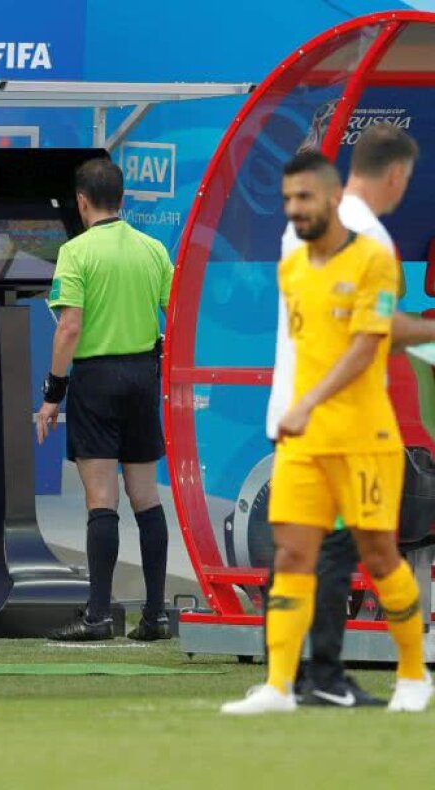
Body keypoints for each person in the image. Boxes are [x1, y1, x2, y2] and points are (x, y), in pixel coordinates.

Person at [221, 151, 432, 715]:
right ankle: (278, 686)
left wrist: (307, 403)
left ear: (335, 198)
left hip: (363, 437)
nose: (294, 210)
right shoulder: (291, 266)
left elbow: (367, 346)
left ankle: (413, 675)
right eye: (287, 200)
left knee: (380, 554)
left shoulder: (375, 259)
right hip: (302, 441)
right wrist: (287, 413)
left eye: (305, 198)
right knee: (290, 553)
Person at [35, 157, 173, 642]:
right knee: (146, 497)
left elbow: (69, 327)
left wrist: (52, 394)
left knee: (101, 501)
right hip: (142, 375)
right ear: (124, 198)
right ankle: (155, 616)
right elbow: (174, 315)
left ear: (81, 202)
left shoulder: (76, 252)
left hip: (95, 378)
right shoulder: (153, 248)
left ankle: (97, 617)